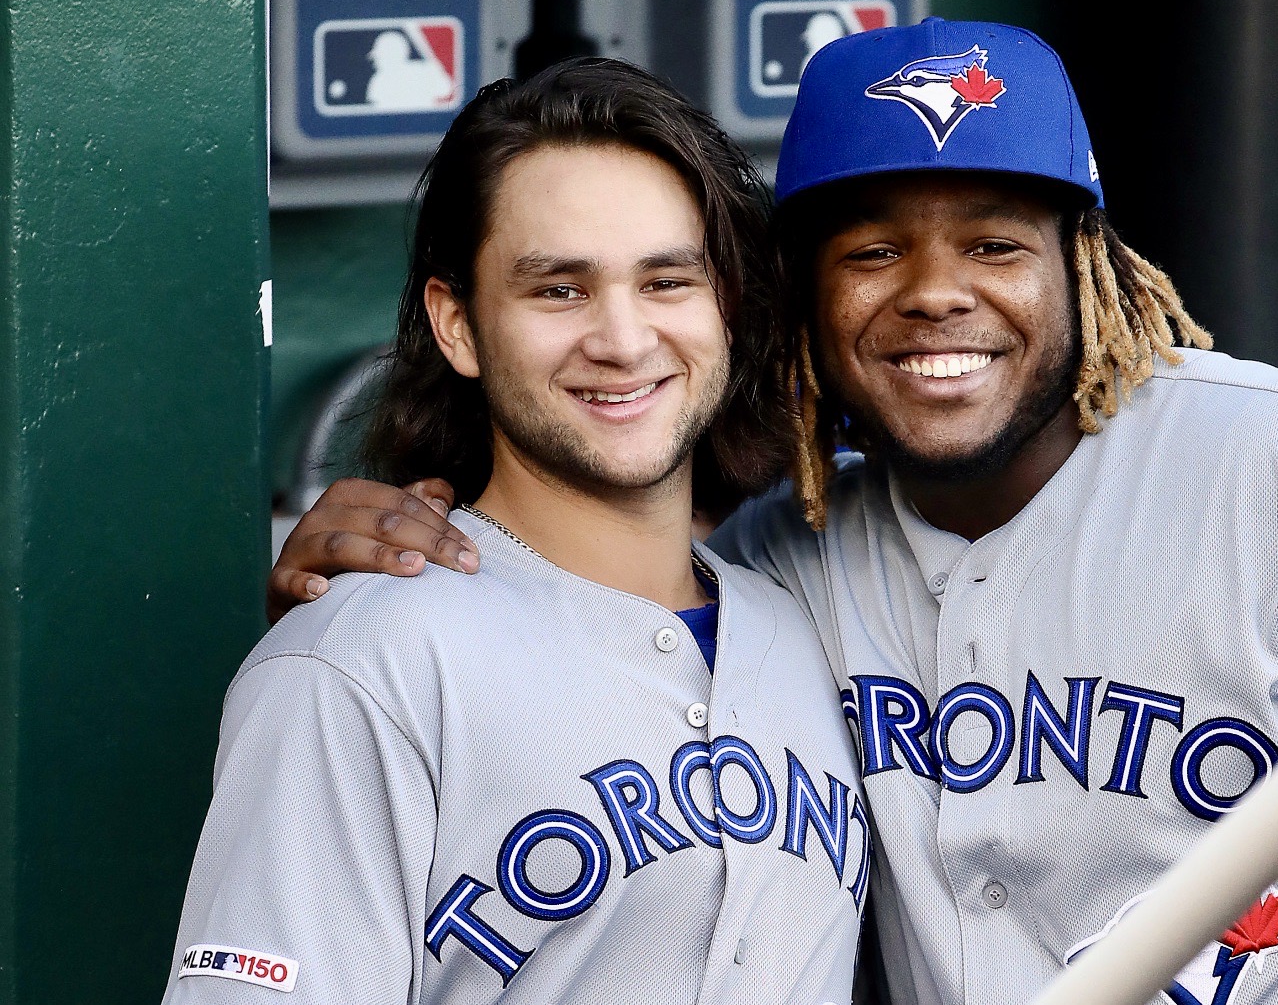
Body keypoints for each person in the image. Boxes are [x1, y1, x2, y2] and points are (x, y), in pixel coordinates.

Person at [272, 20, 1278, 1005]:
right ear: (796, 298)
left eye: (995, 243)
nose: (934, 292)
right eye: (871, 251)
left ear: (1087, 265)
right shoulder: (775, 564)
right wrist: (366, 550)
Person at [165, 61, 867, 1004]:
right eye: (559, 291)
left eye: (667, 281)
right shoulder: (362, 667)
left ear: (726, 309)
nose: (623, 339)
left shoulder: (812, 625)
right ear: (457, 324)